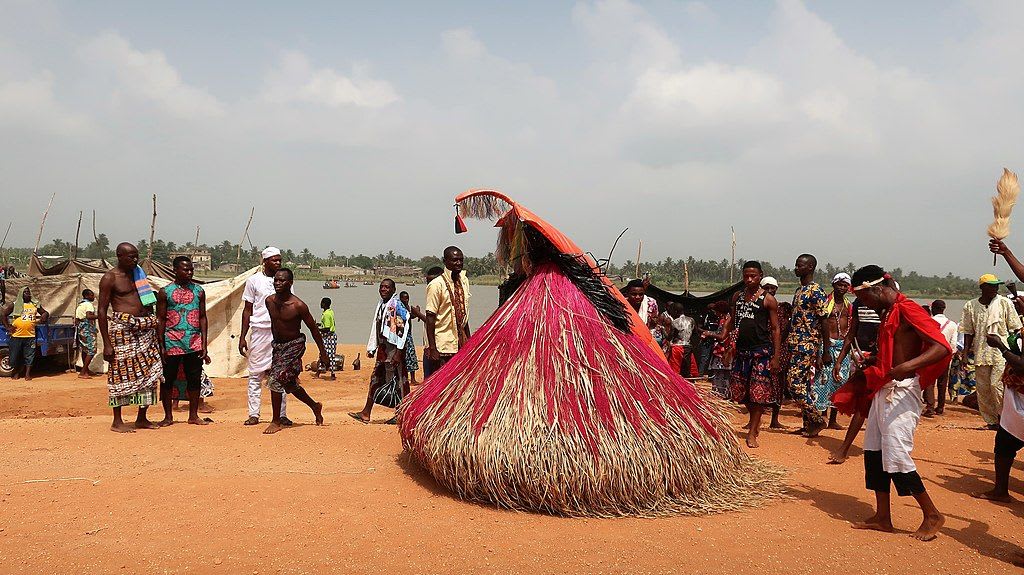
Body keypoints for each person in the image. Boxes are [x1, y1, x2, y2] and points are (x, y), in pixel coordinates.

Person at [832, 265, 950, 541]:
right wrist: (876, 361)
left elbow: (942, 347)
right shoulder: (887, 313)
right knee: (873, 451)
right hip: (884, 387)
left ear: (876, 289)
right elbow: (894, 351)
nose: (864, 305)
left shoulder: (908, 308)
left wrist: (904, 367)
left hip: (902, 389)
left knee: (896, 454)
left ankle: (932, 514)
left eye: (864, 299)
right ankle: (883, 516)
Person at [98, 243, 163, 432]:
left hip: (146, 329)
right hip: (122, 330)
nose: (135, 260)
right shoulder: (110, 278)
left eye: (136, 256)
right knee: (119, 374)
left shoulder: (139, 274)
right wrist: (107, 344)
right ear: (119, 256)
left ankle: (142, 418)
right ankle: (117, 421)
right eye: (130, 257)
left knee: (150, 373)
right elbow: (101, 311)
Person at [723, 261, 781, 448]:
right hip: (741, 353)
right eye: (746, 276)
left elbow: (775, 329)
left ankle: (752, 432)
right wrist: (729, 346)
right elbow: (734, 323)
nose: (749, 279)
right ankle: (755, 422)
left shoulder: (768, 299)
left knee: (758, 395)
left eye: (753, 276)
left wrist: (776, 356)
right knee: (740, 394)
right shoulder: (737, 297)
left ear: (760, 276)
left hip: (761, 353)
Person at [262, 268, 327, 434]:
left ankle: (276, 421)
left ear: (290, 283)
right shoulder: (269, 301)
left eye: (281, 280)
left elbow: (313, 329)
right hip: (278, 346)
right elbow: (274, 325)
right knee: (289, 384)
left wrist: (323, 353)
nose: (277, 283)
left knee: (275, 380)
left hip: (294, 345)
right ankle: (314, 406)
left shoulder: (298, 306)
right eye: (275, 280)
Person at [960, 273, 1022, 430]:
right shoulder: (970, 306)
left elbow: (1015, 328)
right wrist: (965, 353)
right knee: (983, 389)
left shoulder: (1004, 303)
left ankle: (1005, 419)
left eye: (996, 285)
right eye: (992, 285)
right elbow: (968, 331)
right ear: (982, 287)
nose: (995, 288)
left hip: (1001, 353)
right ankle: (991, 421)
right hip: (981, 351)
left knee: (997, 386)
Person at [155, 255, 210, 426]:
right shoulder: (165, 292)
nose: (189, 272)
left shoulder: (199, 291)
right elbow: (161, 319)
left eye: (191, 269)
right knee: (167, 379)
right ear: (175, 270)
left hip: (194, 342)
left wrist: (204, 343)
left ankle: (193, 416)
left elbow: (202, 317)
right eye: (185, 269)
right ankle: (168, 416)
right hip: (171, 342)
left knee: (194, 378)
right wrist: (161, 345)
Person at [239, 247, 290, 426]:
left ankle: (281, 414)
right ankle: (254, 414)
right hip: (260, 331)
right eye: (274, 260)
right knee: (255, 374)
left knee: (281, 375)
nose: (278, 263)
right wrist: (242, 336)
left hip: (280, 333)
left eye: (279, 260)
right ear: (265, 261)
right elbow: (247, 310)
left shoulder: (284, 281)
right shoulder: (254, 281)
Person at [351, 279, 408, 424]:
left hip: (394, 349)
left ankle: (404, 414)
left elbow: (403, 328)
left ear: (393, 289)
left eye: (387, 287)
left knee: (400, 381)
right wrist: (372, 346)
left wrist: (398, 352)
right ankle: (366, 412)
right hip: (383, 348)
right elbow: (376, 325)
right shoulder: (381, 305)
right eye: (381, 287)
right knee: (376, 378)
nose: (383, 289)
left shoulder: (396, 305)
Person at [786, 254, 831, 436]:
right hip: (795, 343)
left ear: (810, 267)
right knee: (804, 384)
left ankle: (818, 419)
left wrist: (825, 351)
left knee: (793, 384)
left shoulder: (816, 291)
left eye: (800, 265)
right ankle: (809, 425)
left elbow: (825, 321)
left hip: (807, 344)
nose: (796, 268)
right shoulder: (799, 290)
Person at [425, 247, 471, 373]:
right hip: (442, 347)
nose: (459, 263)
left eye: (461, 260)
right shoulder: (436, 285)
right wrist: (433, 348)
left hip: (460, 345)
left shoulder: (464, 281)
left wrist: (469, 341)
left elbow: (464, 316)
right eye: (455, 260)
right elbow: (430, 318)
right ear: (445, 261)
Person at [817, 273, 853, 430]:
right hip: (827, 346)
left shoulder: (848, 305)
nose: (842, 288)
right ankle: (823, 416)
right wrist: (821, 351)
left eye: (845, 285)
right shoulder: (826, 303)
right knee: (824, 381)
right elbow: (820, 326)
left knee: (840, 381)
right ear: (834, 285)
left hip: (842, 347)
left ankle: (833, 419)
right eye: (839, 284)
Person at [1, 287, 48, 381]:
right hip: (16, 335)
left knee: (29, 355)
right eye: (25, 292)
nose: (27, 293)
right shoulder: (14, 305)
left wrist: (43, 317)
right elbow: (3, 315)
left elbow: (45, 313)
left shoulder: (35, 305)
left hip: (30, 335)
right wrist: (7, 327)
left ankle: (27, 374)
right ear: (21, 294)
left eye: (28, 292)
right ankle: (16, 372)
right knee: (15, 355)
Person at [925, 300, 958, 416]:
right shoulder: (952, 324)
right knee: (942, 383)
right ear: (944, 309)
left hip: (930, 355)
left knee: (929, 381)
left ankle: (930, 407)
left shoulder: (928, 321)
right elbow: (953, 345)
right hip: (945, 356)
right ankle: (940, 407)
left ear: (932, 309)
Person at [701, 301, 733, 397]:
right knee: (719, 374)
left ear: (720, 311)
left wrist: (709, 333)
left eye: (716, 311)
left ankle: (722, 394)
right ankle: (721, 394)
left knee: (722, 374)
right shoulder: (724, 319)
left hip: (724, 351)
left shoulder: (727, 320)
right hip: (721, 350)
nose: (715, 313)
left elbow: (722, 336)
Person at [417, 266, 444, 378]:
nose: (429, 286)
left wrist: (418, 314)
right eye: (427, 282)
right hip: (429, 347)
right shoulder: (431, 296)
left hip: (437, 348)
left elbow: (434, 322)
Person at [662, 302, 695, 377]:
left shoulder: (675, 322)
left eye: (672, 312)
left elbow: (669, 337)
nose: (670, 314)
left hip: (677, 348)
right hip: (688, 347)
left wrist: (663, 330)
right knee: (687, 369)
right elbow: (695, 334)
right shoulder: (691, 320)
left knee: (675, 370)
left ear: (676, 312)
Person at [75, 289, 98, 378]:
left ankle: (86, 370)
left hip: (82, 329)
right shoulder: (89, 305)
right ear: (87, 296)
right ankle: (83, 371)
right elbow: (89, 316)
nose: (93, 297)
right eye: (92, 295)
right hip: (88, 330)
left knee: (85, 349)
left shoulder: (80, 305)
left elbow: (76, 320)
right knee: (92, 350)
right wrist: (101, 316)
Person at [399, 291, 420, 387]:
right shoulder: (400, 308)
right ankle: (407, 379)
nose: (406, 300)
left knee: (411, 357)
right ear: (401, 299)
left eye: (407, 298)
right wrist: (417, 313)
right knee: (406, 357)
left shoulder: (407, 307)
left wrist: (416, 313)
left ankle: (412, 379)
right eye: (404, 298)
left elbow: (410, 316)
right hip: (404, 336)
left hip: (409, 335)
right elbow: (407, 317)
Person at [315, 297, 337, 380]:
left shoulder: (326, 314)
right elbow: (327, 324)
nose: (320, 304)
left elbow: (327, 328)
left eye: (322, 303)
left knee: (327, 355)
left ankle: (332, 374)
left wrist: (317, 329)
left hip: (329, 337)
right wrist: (319, 324)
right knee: (325, 354)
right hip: (330, 336)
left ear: (324, 304)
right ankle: (319, 372)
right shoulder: (330, 312)